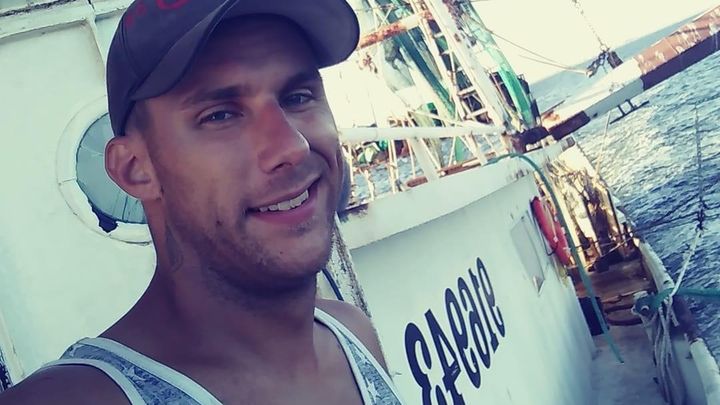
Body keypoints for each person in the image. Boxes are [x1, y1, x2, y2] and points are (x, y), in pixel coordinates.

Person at [0, 0, 404, 403]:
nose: (292, 147)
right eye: (220, 115)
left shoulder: (353, 337)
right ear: (136, 169)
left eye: (297, 97)